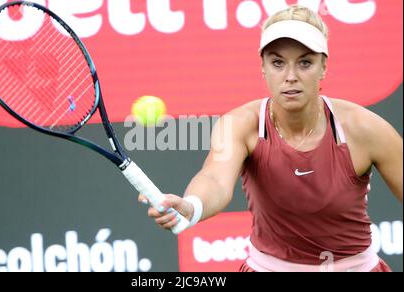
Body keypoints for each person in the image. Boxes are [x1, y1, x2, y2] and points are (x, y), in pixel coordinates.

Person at [139, 5, 403, 272]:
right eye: (278, 62)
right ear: (263, 67)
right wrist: (191, 206)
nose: (290, 76)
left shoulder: (365, 129)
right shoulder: (240, 125)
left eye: (305, 62)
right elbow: (215, 179)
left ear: (323, 66)